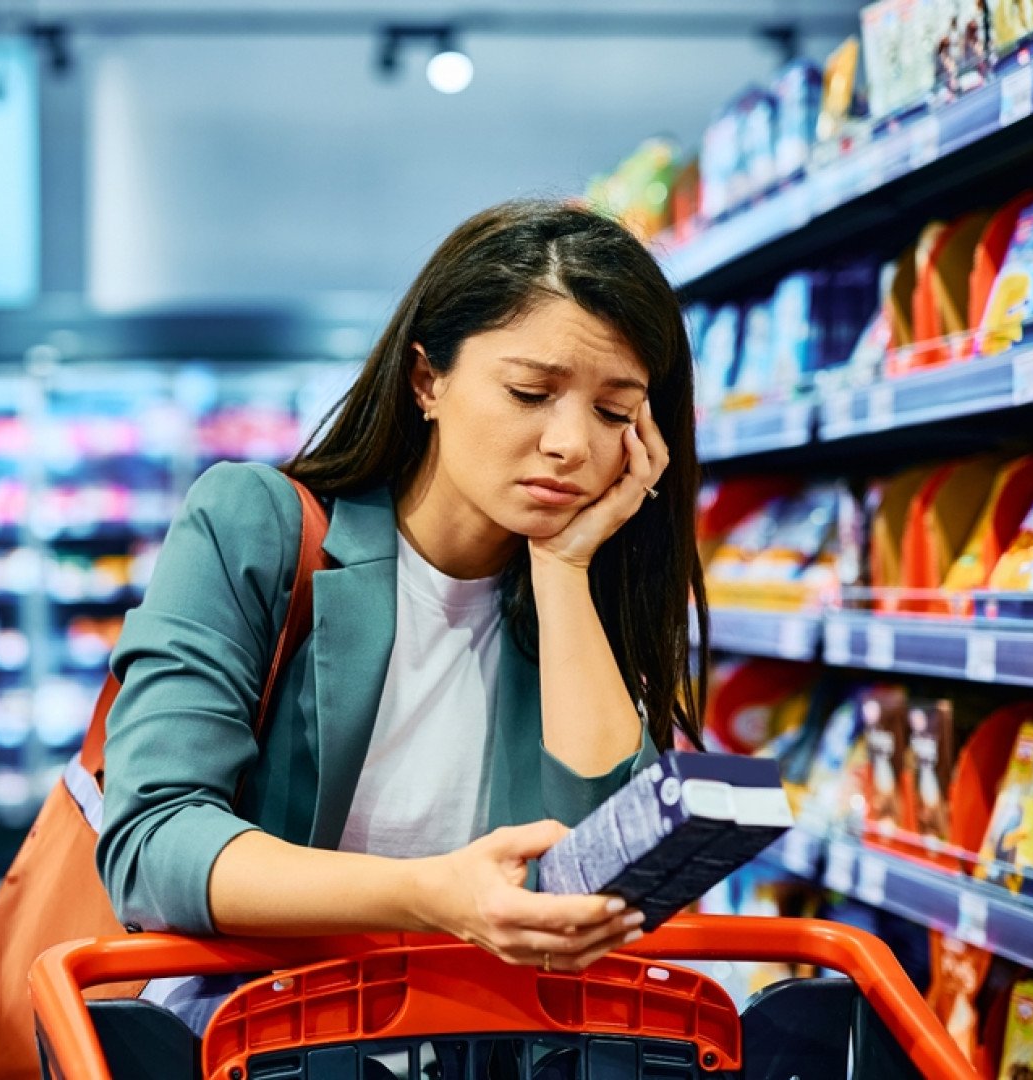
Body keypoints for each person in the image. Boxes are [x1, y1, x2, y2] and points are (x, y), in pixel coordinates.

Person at [96, 199, 710, 1023]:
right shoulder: (256, 523)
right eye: (530, 392)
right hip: (265, 1039)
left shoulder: (584, 594)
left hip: (491, 1045)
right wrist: (426, 895)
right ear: (428, 379)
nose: (571, 445)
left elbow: (591, 878)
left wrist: (563, 568)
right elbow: (151, 842)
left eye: (611, 411)